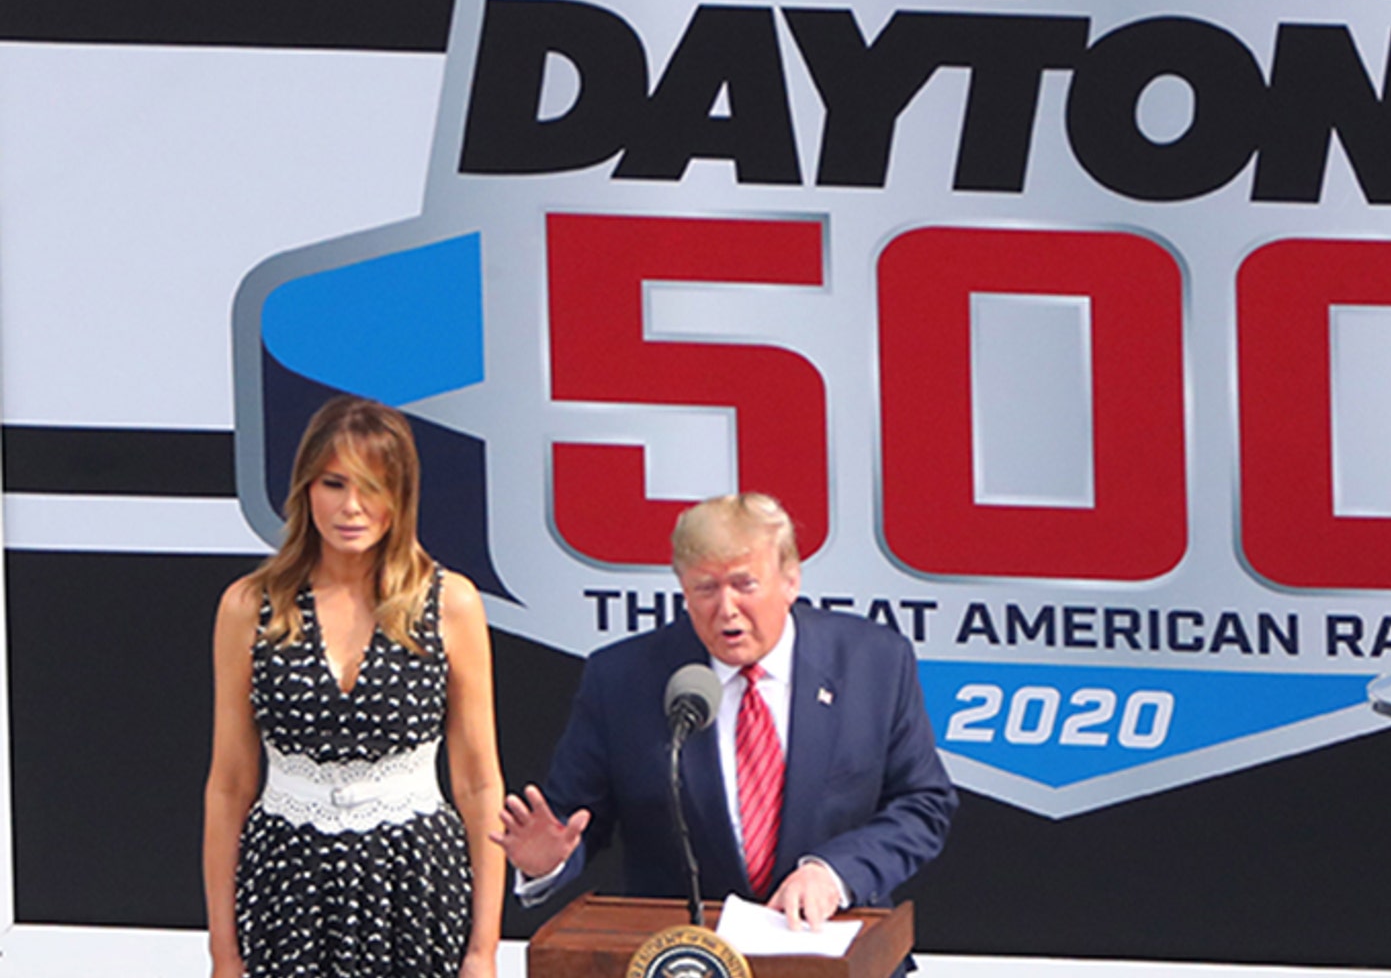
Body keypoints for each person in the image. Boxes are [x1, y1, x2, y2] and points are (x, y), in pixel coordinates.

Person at [494, 492, 956, 932]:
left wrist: (834, 873)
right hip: (686, 956)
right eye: (706, 588)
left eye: (744, 585)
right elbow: (573, 821)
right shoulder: (622, 680)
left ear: (790, 581)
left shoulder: (872, 662)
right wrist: (546, 863)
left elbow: (923, 803)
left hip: (831, 947)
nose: (726, 608)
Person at [203, 396, 505, 977]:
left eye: (373, 486)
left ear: (401, 495)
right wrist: (223, 951)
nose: (352, 507)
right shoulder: (248, 606)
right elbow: (229, 785)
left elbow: (478, 783)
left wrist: (483, 950)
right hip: (285, 883)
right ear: (305, 490)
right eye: (334, 484)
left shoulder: (451, 603)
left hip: (415, 882)